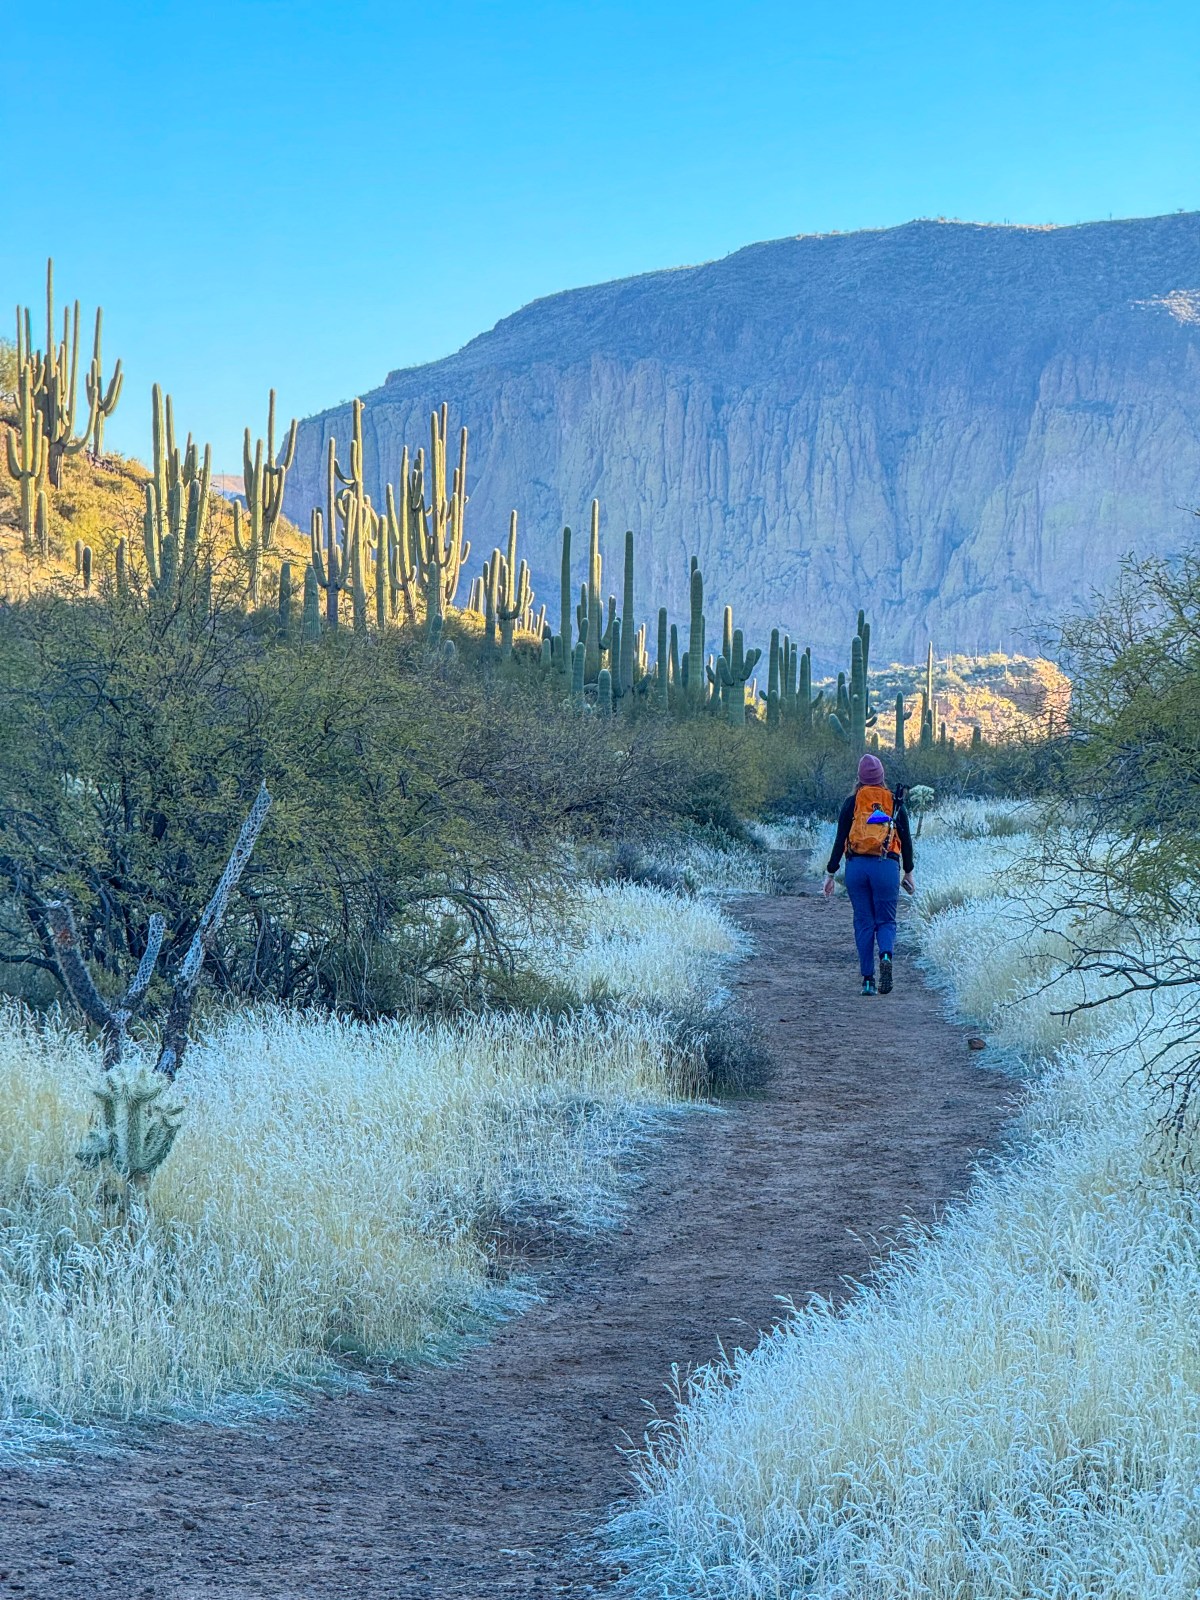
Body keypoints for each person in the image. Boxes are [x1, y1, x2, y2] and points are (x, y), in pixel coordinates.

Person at [822, 753, 915, 996]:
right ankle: (885, 955)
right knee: (886, 921)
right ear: (882, 777)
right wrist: (909, 872)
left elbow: (840, 838)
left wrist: (831, 874)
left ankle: (867, 981)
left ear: (859, 779)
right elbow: (905, 840)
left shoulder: (852, 802)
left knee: (863, 922)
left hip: (857, 868)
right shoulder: (893, 802)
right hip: (885, 865)